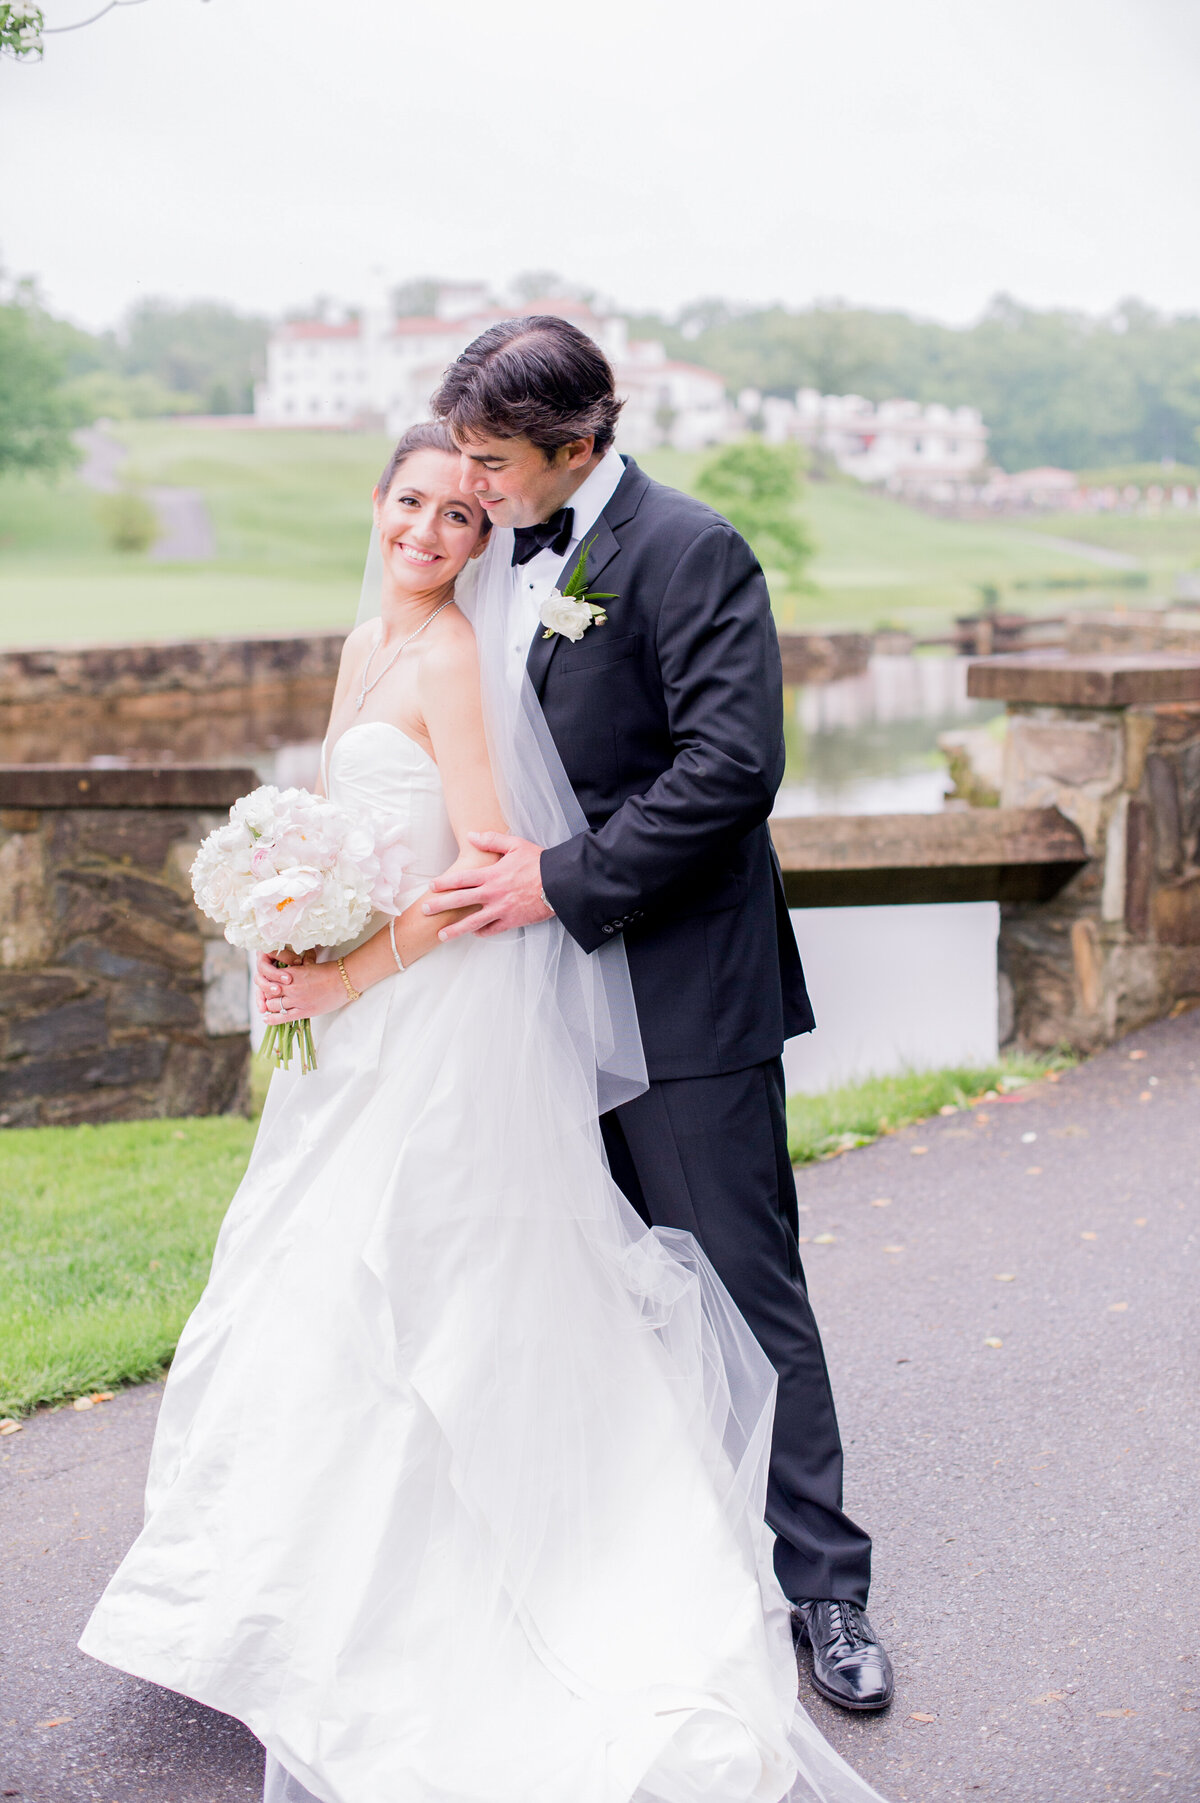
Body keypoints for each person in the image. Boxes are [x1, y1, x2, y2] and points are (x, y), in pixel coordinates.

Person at [79, 422, 886, 1803]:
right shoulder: (365, 642)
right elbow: (364, 844)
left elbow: (479, 878)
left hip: (443, 1023)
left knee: (445, 1296)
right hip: (363, 1021)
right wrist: (288, 926)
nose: (434, 532)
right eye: (416, 503)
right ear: (377, 503)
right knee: (317, 1293)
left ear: (510, 507)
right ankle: (298, 1595)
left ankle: (773, 1592)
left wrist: (346, 967)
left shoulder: (463, 650)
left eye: (465, 513)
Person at [424, 316, 893, 1714]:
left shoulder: (690, 549)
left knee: (746, 1297)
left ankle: (827, 1590)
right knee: (582, 1294)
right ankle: (648, 1574)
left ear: (578, 447)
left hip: (680, 994)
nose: (473, 482)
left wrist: (558, 883)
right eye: (461, 453)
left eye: (494, 460)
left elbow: (732, 767)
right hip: (525, 1012)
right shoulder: (489, 557)